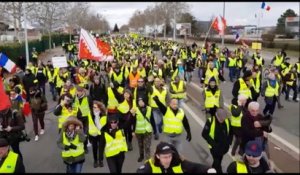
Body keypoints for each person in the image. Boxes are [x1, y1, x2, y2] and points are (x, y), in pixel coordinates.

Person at [137, 141, 215, 173]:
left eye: (169, 156)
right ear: (157, 156)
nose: (168, 160)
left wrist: (208, 169)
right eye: (164, 157)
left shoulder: (178, 162)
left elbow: (195, 167)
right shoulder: (150, 165)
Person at [202, 108, 232, 173]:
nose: (222, 120)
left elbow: (231, 132)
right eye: (221, 119)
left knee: (218, 161)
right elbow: (204, 134)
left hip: (224, 147)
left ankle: (211, 170)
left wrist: (229, 142)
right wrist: (214, 144)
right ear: (216, 115)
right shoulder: (210, 121)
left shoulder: (227, 121)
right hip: (214, 148)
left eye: (223, 119)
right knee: (217, 163)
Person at [130, 97, 157, 162]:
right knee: (140, 145)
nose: (140, 103)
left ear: (145, 101)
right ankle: (141, 156)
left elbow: (152, 120)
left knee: (147, 146)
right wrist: (133, 131)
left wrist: (155, 130)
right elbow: (133, 121)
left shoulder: (149, 109)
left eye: (142, 101)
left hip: (148, 130)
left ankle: (148, 159)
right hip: (138, 131)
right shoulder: (135, 110)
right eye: (139, 102)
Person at [88, 101, 107, 168]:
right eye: (93, 107)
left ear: (99, 108)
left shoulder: (103, 115)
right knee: (95, 148)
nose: (93, 108)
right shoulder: (90, 114)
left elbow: (100, 127)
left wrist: (97, 117)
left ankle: (101, 160)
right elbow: (89, 124)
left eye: (95, 107)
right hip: (93, 134)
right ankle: (95, 160)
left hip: (101, 133)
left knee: (101, 148)